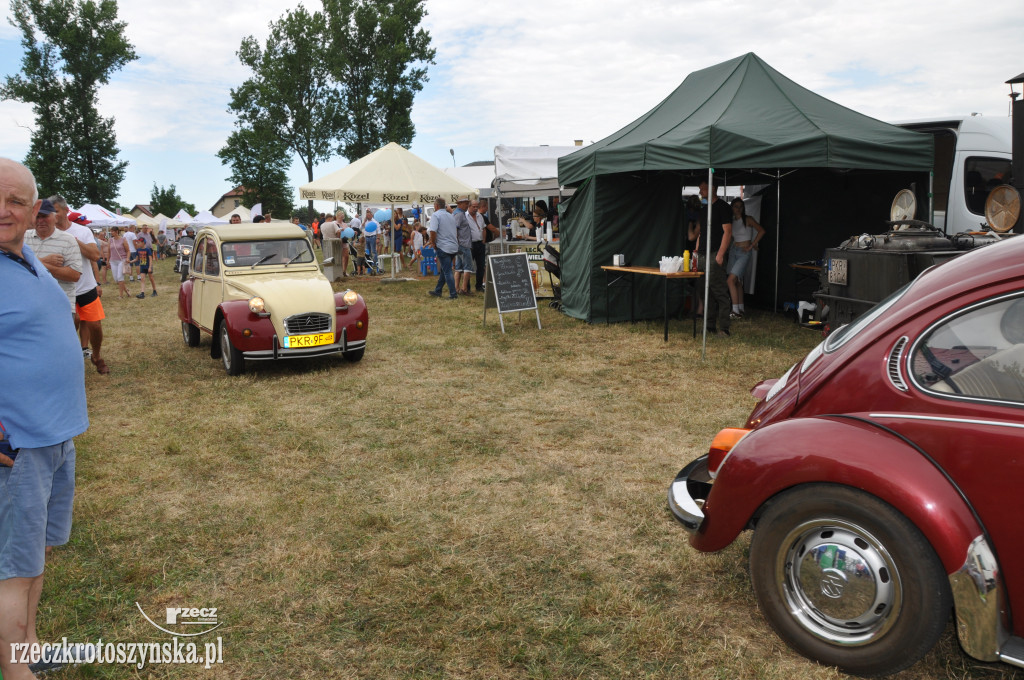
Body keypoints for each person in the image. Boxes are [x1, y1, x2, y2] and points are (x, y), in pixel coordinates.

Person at [0, 158, 90, 680]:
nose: (4, 210)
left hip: (55, 437)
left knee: (36, 557)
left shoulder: (26, 257)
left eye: (16, 201)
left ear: (36, 210)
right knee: (12, 568)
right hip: (18, 446)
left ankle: (31, 648)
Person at [50, 195, 109, 374]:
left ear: (66, 211)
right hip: (61, 289)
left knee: (95, 326)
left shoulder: (82, 231)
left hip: (85, 287)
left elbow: (95, 255)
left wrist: (73, 241)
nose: (52, 215)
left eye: (55, 211)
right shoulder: (48, 233)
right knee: (68, 326)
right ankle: (67, 361)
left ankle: (96, 356)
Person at [24, 198, 82, 317]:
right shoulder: (23, 238)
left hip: (60, 306)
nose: (40, 220)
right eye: (37, 216)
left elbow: (74, 275)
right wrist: (43, 261)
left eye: (44, 216)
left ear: (55, 217)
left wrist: (34, 261)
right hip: (28, 305)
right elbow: (14, 266)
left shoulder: (68, 240)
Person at [698, 180, 733, 336]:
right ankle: (709, 326)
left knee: (719, 291)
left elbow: (727, 232)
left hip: (714, 253)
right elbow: (701, 233)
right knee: (706, 292)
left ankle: (724, 328)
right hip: (702, 254)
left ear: (712, 188)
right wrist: (696, 251)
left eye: (703, 189)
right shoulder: (704, 208)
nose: (700, 192)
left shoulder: (723, 207)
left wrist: (720, 254)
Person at [726, 198, 766, 318]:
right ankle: (740, 309)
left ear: (743, 208)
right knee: (737, 281)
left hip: (744, 252)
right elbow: (732, 237)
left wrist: (752, 245)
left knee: (730, 280)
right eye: (735, 206)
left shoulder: (748, 219)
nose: (738, 209)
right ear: (732, 208)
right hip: (734, 251)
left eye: (740, 206)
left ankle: (735, 311)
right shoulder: (732, 221)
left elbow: (762, 231)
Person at [427, 197, 459, 299]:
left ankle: (453, 294)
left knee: (447, 271)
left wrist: (433, 242)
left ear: (436, 206)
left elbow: (433, 231)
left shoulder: (436, 215)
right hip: (453, 246)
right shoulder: (451, 216)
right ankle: (438, 290)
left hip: (443, 246)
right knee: (445, 269)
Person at [451, 197, 474, 294]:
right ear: (459, 204)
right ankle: (464, 289)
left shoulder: (458, 213)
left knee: (458, 267)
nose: (467, 205)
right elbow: (454, 229)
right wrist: (457, 242)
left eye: (468, 203)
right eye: (465, 203)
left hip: (460, 244)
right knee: (468, 267)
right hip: (463, 244)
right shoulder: (459, 214)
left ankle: (456, 288)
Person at [468, 200, 487, 292]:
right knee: (468, 266)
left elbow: (483, 229)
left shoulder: (480, 216)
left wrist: (483, 241)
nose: (475, 208)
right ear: (469, 206)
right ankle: (467, 287)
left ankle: (479, 286)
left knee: (481, 265)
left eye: (476, 206)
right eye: (473, 207)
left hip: (480, 243)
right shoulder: (465, 216)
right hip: (470, 244)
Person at [107, 226, 131, 298]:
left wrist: (128, 258)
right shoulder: (110, 240)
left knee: (120, 277)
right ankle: (126, 290)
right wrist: (107, 261)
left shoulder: (123, 239)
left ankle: (120, 295)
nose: (111, 232)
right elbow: (109, 251)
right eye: (111, 231)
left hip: (121, 260)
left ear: (117, 231)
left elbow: (128, 250)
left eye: (113, 231)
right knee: (116, 279)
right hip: (113, 261)